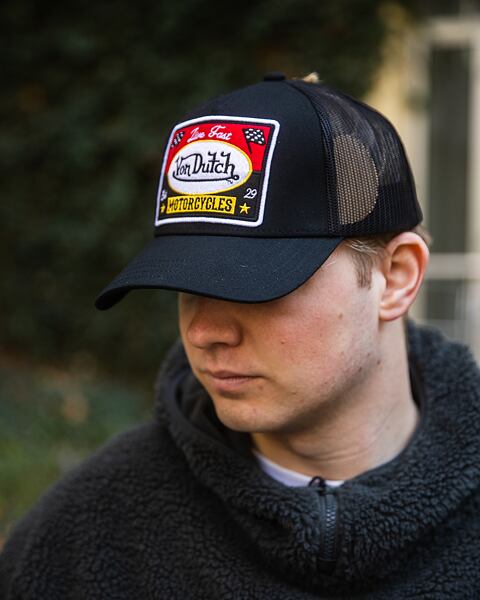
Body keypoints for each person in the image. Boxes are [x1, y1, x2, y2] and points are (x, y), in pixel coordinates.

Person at [2, 72, 480, 599]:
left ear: (396, 277)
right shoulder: (87, 535)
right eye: (186, 286)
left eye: (258, 287)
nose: (203, 332)